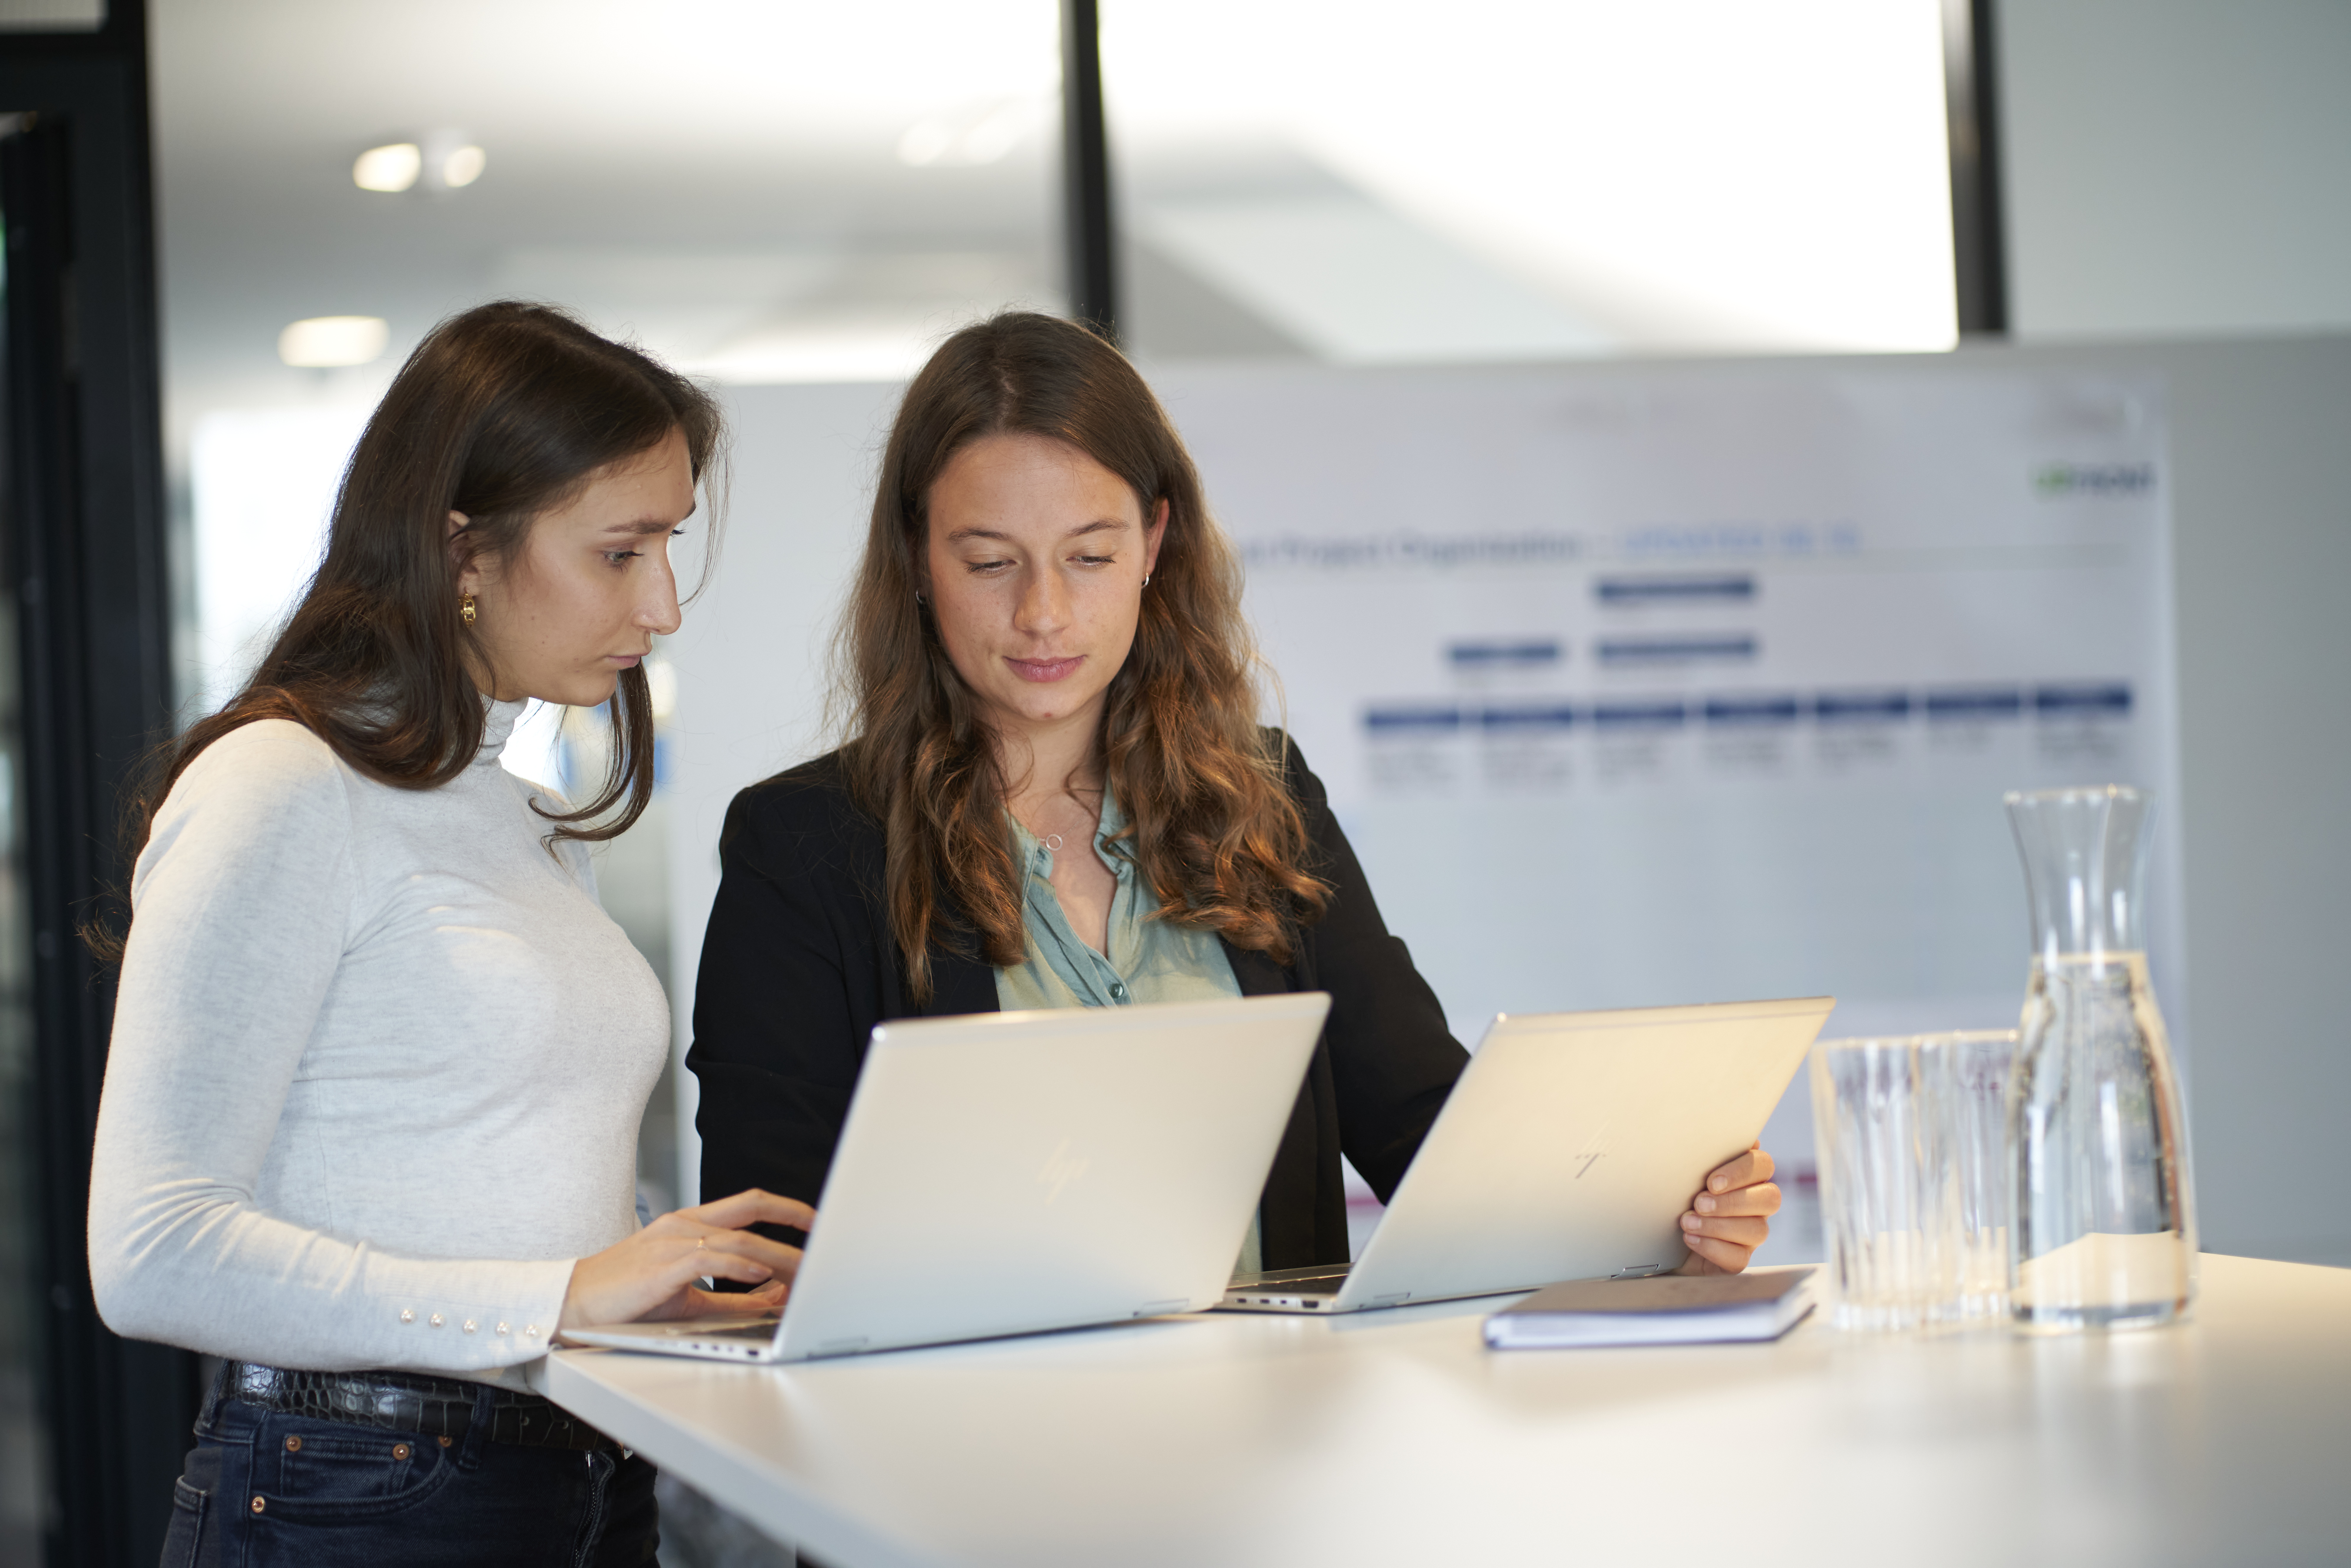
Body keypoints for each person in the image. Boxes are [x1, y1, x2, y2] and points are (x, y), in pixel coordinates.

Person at [688, 310, 1779, 1279]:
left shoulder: (1261, 797)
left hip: (1269, 1462)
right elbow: (762, 1246)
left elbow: (1431, 1136)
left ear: (1156, 543)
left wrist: (1661, 1221)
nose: (1045, 615)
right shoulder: (809, 845)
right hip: (955, 1469)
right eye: (989, 563)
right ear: (916, 559)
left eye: (1091, 556)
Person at [86, 302, 809, 1567]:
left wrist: (647, 1282)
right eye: (621, 551)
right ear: (462, 550)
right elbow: (152, 1255)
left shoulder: (520, 815)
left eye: (668, 547)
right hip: (359, 1488)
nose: (663, 606)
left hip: (576, 1469)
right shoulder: (281, 785)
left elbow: (469, 1173)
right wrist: (559, 1296)